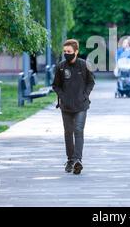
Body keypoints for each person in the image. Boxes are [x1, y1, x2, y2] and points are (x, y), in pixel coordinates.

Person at [52, 39, 95, 175]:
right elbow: (56, 85)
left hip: (81, 104)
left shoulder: (84, 65)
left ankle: (78, 160)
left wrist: (85, 95)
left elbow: (91, 82)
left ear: (76, 51)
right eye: (65, 52)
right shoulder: (60, 67)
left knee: (78, 130)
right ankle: (70, 160)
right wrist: (62, 96)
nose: (66, 54)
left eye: (69, 52)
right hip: (66, 106)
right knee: (68, 132)